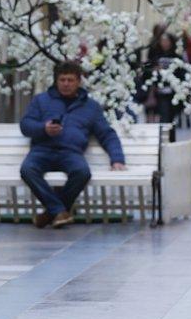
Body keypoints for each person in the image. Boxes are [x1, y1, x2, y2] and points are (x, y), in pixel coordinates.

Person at [19, 61, 126, 229]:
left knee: (82, 172)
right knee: (27, 170)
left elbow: (107, 134)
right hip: (42, 150)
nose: (66, 84)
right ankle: (59, 211)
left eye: (70, 80)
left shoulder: (91, 107)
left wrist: (117, 159)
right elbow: (26, 125)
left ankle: (52, 213)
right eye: (62, 80)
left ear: (78, 82)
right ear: (56, 81)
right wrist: (43, 128)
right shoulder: (41, 100)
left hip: (71, 153)